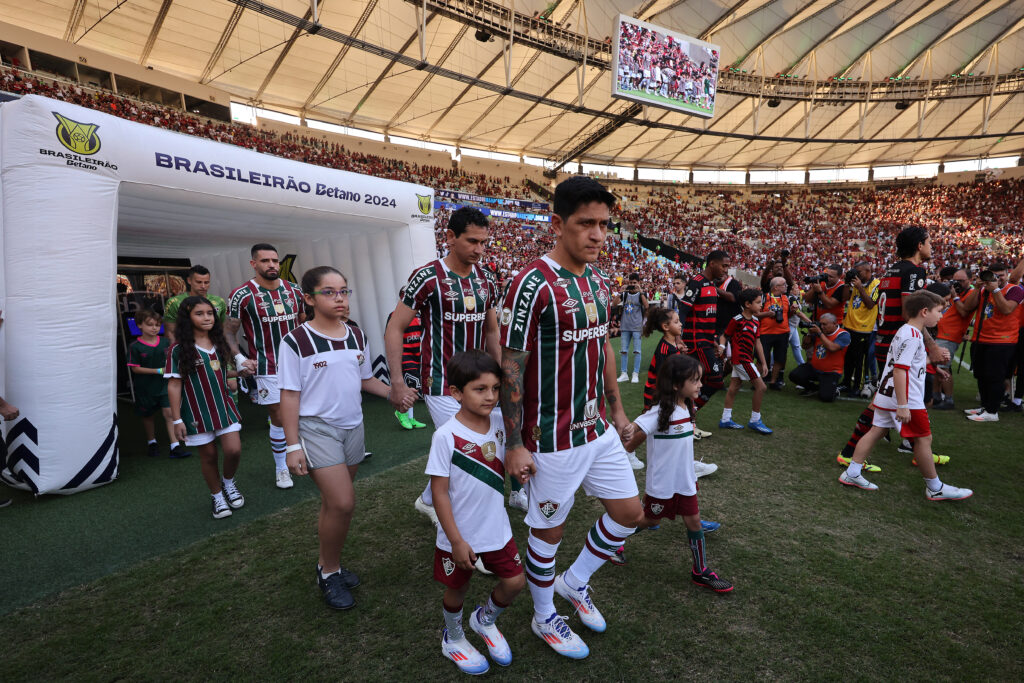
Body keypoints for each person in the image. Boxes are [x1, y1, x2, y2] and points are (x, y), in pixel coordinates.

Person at [500, 176, 643, 660]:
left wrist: (617, 408)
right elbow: (511, 365)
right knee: (549, 533)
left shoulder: (598, 280)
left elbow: (603, 346)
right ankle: (544, 616)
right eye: (586, 224)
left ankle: (574, 582)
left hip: (596, 428)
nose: (598, 234)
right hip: (551, 437)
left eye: (604, 224)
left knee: (629, 514)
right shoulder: (531, 283)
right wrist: (515, 442)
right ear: (558, 224)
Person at [384, 207, 520, 523]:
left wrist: (500, 375)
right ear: (449, 237)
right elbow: (395, 327)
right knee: (467, 447)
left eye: (484, 242)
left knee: (487, 442)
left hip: (481, 380)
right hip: (441, 381)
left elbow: (491, 331)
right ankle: (460, 518)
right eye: (472, 241)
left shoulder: (487, 279)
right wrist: (397, 382)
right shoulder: (427, 277)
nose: (479, 249)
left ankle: (429, 499)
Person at [279, 267, 392, 610]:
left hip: (353, 426)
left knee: (334, 504)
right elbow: (289, 395)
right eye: (329, 292)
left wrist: (394, 393)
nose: (339, 298)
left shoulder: (356, 334)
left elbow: (365, 379)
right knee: (342, 503)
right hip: (316, 429)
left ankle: (329, 566)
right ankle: (329, 572)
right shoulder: (296, 340)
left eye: (343, 290)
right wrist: (292, 445)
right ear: (309, 298)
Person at [426, 351, 525, 675]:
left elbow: (514, 456)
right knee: (457, 588)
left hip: (496, 528)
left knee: (515, 582)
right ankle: (453, 638)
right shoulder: (445, 436)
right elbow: (439, 493)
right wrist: (455, 541)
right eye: (480, 389)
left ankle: (484, 620)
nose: (491, 396)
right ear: (456, 392)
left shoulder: (501, 423)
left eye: (495, 388)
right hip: (459, 536)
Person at [838, 291, 973, 501]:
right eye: (939, 311)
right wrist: (903, 405)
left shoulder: (906, 331)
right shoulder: (913, 335)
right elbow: (900, 370)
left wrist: (932, 363)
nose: (941, 316)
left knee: (876, 431)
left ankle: (852, 472)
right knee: (923, 439)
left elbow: (907, 363)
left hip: (887, 393)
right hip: (905, 396)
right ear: (924, 311)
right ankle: (935, 488)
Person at [836, 227, 951, 471]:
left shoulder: (892, 270)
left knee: (893, 400)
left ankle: (918, 449)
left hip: (886, 341)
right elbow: (911, 312)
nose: (931, 246)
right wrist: (931, 347)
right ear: (919, 245)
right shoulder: (915, 271)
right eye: (929, 242)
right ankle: (851, 454)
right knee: (903, 400)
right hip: (899, 344)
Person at [620, 354, 733, 592]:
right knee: (650, 519)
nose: (700, 385)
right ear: (675, 385)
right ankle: (613, 542)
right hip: (662, 484)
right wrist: (629, 430)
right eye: (695, 380)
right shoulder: (661, 411)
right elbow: (638, 425)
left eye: (699, 379)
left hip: (685, 481)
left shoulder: (687, 405)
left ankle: (700, 571)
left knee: (694, 522)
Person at [226, 244, 304, 490]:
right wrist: (239, 358)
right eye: (265, 261)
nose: (271, 265)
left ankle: (313, 453)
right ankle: (282, 467)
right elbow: (228, 331)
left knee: (310, 410)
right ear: (253, 264)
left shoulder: (295, 290)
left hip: (300, 362)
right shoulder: (242, 294)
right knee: (278, 417)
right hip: (267, 365)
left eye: (274, 260)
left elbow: (305, 322)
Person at [165, 296, 244, 520]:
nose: (207, 317)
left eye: (210, 313)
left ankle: (228, 483)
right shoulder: (178, 349)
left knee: (234, 450)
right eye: (199, 314)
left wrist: (241, 372)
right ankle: (217, 496)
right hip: (195, 412)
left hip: (223, 406)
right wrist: (177, 420)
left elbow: (219, 372)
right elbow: (174, 385)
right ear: (187, 318)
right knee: (208, 456)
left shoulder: (219, 343)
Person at [639, 307, 717, 476]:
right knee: (649, 425)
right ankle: (628, 452)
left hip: (671, 394)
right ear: (666, 327)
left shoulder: (673, 345)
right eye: (676, 322)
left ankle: (688, 464)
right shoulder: (665, 349)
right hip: (658, 394)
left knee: (676, 427)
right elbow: (664, 377)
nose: (681, 324)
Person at [960, 260, 1024, 422]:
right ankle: (985, 406)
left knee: (995, 377)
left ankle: (992, 411)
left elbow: (1006, 309)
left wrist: (995, 289)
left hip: (1002, 341)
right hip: (981, 338)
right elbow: (968, 307)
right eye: (994, 276)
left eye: (1001, 275)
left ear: (1007, 275)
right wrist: (977, 287)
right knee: (981, 375)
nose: (997, 279)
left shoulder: (1014, 289)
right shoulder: (984, 290)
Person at [126, 308, 190, 459]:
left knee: (169, 413)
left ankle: (175, 446)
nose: (154, 328)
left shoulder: (166, 342)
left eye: (157, 325)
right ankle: (152, 442)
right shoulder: (134, 346)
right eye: (150, 325)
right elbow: (135, 369)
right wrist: (158, 371)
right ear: (139, 325)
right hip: (145, 388)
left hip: (165, 385)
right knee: (147, 415)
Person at [678, 250, 730, 414]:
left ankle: (687, 416)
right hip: (696, 343)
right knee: (715, 380)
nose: (726, 270)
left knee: (697, 380)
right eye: (723, 266)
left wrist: (712, 341)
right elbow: (683, 310)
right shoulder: (697, 283)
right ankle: (689, 413)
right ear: (712, 264)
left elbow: (705, 317)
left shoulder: (712, 285)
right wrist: (678, 337)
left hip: (706, 341)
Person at [719, 289, 772, 434]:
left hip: (746, 359)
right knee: (761, 387)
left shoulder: (755, 321)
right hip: (741, 359)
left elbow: (758, 342)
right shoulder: (737, 320)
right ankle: (755, 420)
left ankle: (725, 419)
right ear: (748, 304)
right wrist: (722, 347)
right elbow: (725, 335)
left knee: (733, 388)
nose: (761, 305)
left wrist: (764, 362)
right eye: (758, 302)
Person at [758, 276, 809, 390]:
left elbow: (795, 313)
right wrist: (767, 314)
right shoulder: (763, 297)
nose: (786, 286)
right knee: (761, 358)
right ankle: (758, 382)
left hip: (782, 333)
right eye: (784, 285)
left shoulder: (788, 298)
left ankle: (773, 382)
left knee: (779, 359)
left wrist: (809, 322)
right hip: (765, 333)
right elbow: (755, 314)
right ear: (776, 287)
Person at [839, 262, 880, 397]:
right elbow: (845, 298)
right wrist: (847, 283)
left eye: (859, 272)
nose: (856, 275)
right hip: (849, 325)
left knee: (860, 360)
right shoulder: (856, 283)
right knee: (848, 358)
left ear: (868, 270)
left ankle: (858, 386)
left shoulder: (877, 285)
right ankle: (846, 382)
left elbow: (870, 304)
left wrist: (860, 288)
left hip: (863, 328)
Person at [788, 313, 849, 402]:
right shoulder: (820, 332)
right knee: (794, 375)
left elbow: (832, 348)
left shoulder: (843, 334)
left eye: (825, 324)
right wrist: (809, 334)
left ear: (834, 324)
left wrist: (820, 333)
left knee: (826, 398)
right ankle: (814, 388)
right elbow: (805, 346)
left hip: (831, 372)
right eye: (821, 324)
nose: (822, 326)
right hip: (814, 368)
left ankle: (831, 389)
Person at [932, 269, 971, 410]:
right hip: (942, 334)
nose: (957, 284)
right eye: (955, 281)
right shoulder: (959, 293)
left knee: (943, 367)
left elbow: (964, 311)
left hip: (950, 335)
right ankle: (936, 396)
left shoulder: (970, 294)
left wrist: (954, 296)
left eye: (961, 281)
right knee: (936, 367)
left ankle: (948, 399)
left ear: (970, 281)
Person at [390, 288, 428, 430]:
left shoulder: (422, 314)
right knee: (411, 387)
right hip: (406, 356)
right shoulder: (394, 315)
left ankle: (411, 418)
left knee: (417, 387)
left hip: (421, 356)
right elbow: (391, 336)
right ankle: (402, 413)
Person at [163, 265, 226, 343]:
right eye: (199, 282)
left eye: (206, 282)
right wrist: (176, 349)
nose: (203, 286)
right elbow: (170, 333)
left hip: (214, 345)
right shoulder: (174, 302)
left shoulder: (219, 301)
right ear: (189, 280)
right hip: (186, 346)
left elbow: (223, 330)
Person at [613, 272, 647, 383]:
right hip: (625, 326)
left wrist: (641, 291)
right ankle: (624, 374)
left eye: (634, 283)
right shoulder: (625, 294)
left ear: (638, 283)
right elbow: (614, 304)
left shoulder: (641, 294)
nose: (632, 285)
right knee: (623, 351)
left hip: (637, 327)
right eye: (630, 283)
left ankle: (635, 374)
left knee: (637, 351)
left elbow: (646, 306)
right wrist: (620, 292)